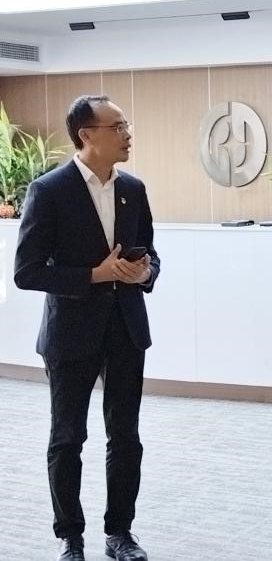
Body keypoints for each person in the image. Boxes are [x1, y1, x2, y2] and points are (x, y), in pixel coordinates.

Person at [14, 95, 159, 561]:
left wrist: (145, 272)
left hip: (126, 329)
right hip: (70, 333)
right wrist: (94, 275)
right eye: (118, 126)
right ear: (87, 135)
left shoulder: (133, 188)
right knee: (67, 438)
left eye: (126, 125)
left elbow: (150, 253)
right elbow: (27, 272)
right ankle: (70, 538)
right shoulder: (49, 190)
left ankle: (120, 534)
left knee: (126, 437)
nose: (127, 133)